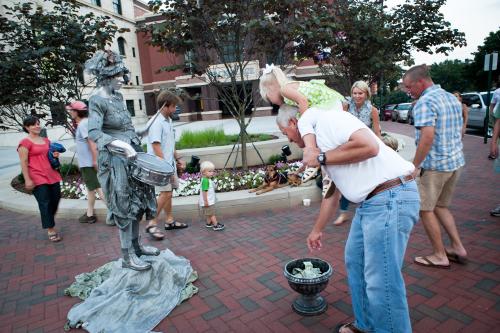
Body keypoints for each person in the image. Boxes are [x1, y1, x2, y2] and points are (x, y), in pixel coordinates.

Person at [277, 104, 419, 333]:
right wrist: (317, 230)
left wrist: (320, 156)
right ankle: (366, 325)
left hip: (389, 196)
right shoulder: (324, 147)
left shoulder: (328, 121)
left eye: (286, 134)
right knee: (356, 262)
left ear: (294, 123)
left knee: (381, 281)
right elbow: (331, 194)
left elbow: (370, 146)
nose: (291, 141)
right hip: (371, 204)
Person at [86, 50, 159, 271]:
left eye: (122, 73)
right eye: (117, 74)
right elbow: (94, 133)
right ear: (106, 76)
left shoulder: (118, 97)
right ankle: (127, 257)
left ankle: (137, 248)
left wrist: (142, 131)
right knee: (124, 207)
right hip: (116, 163)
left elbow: (125, 128)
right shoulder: (97, 100)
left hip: (132, 159)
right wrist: (123, 146)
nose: (122, 78)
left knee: (137, 206)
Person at [403, 64, 467, 269]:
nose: (408, 91)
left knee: (425, 209)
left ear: (420, 82)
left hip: (436, 166)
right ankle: (458, 248)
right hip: (455, 163)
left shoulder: (424, 102)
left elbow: (427, 137)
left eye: (409, 86)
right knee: (440, 206)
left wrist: (414, 166)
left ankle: (440, 255)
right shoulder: (450, 97)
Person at [259, 64, 345, 184]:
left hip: (329, 104)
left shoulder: (285, 90)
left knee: (304, 121)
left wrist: (303, 124)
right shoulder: (291, 89)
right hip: (331, 105)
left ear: (271, 88)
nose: (271, 102)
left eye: (268, 97)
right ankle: (327, 178)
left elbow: (303, 101)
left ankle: (310, 153)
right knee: (320, 140)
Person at [334, 81, 383, 226]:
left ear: (366, 94)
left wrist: (380, 150)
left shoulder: (373, 110)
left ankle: (368, 211)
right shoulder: (346, 106)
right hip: (348, 145)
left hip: (365, 149)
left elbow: (377, 133)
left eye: (360, 93)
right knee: (345, 179)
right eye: (354, 93)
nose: (357, 96)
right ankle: (343, 213)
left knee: (366, 181)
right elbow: (339, 126)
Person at [146, 90, 188, 240]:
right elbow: (156, 146)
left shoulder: (168, 120)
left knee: (169, 192)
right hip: (160, 165)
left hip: (168, 163)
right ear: (165, 106)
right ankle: (151, 223)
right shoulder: (156, 123)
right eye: (173, 106)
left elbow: (170, 143)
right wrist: (166, 167)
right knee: (166, 193)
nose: (175, 108)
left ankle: (169, 221)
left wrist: (177, 159)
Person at [17, 116, 63, 242]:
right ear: (27, 127)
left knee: (56, 199)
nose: (37, 126)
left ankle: (48, 218)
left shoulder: (46, 140)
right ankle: (51, 229)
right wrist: (27, 179)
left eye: (38, 123)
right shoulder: (24, 143)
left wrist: (55, 155)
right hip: (36, 176)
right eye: (33, 124)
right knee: (45, 202)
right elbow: (24, 162)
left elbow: (50, 155)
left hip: (52, 174)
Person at [67, 100, 107, 224]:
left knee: (98, 189)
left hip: (89, 164)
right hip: (87, 163)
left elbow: (92, 143)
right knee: (91, 189)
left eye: (71, 110)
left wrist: (95, 160)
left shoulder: (84, 124)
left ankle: (116, 214)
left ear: (77, 112)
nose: (70, 113)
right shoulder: (85, 123)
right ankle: (90, 214)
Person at [198, 161, 224, 231]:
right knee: (212, 214)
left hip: (209, 201)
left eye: (212, 171)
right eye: (209, 171)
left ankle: (208, 223)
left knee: (209, 213)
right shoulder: (205, 181)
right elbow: (204, 192)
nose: (212, 173)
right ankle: (215, 225)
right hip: (208, 201)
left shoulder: (207, 179)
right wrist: (206, 202)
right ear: (203, 172)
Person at [489, 82, 500, 160]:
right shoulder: (497, 91)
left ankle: (493, 153)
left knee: (495, 136)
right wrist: (491, 116)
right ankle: (493, 153)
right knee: (495, 136)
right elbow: (492, 105)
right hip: (497, 116)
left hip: (497, 116)